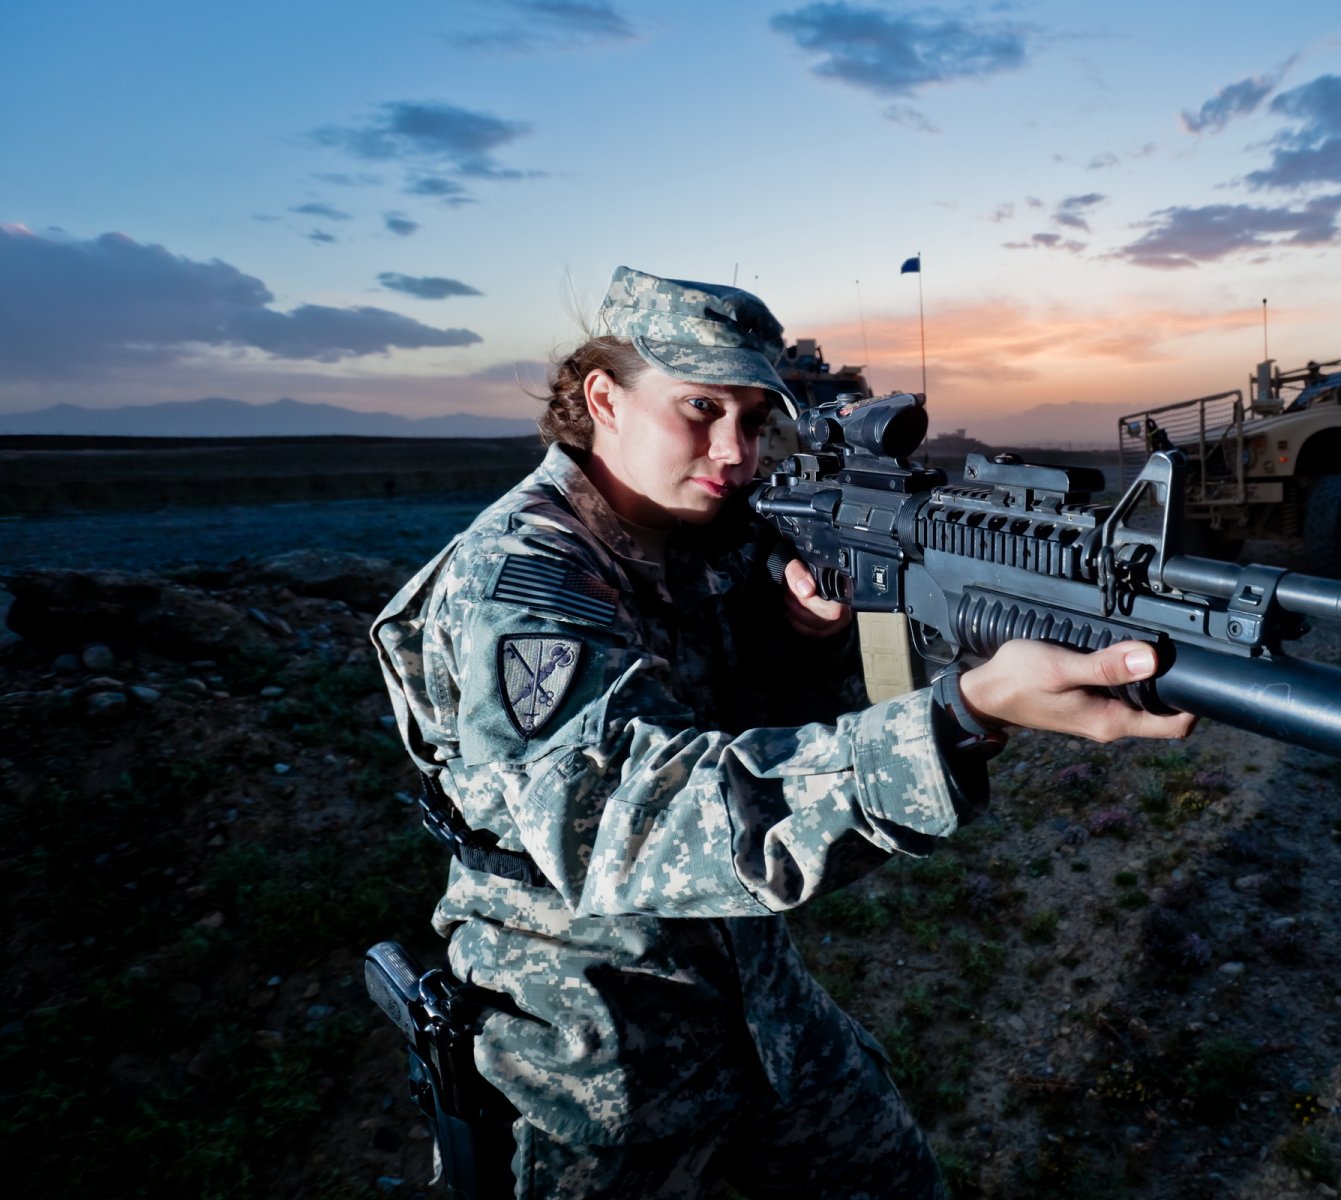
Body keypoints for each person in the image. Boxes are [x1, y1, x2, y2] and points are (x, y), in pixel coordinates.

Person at [370, 266, 1194, 1199]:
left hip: (758, 1008)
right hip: (591, 1047)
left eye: (756, 419)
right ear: (603, 398)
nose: (734, 450)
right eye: (699, 408)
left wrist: (806, 645)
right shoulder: (518, 582)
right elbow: (629, 824)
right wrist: (959, 718)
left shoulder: (709, 531)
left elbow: (738, 720)